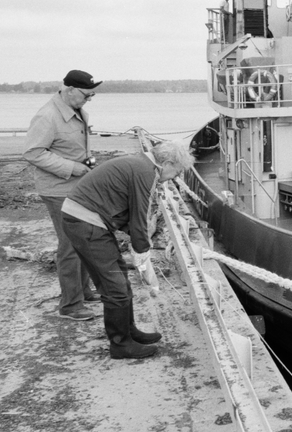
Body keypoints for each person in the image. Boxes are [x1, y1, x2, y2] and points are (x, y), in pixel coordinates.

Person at [60, 142, 194, 359]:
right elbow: (138, 216)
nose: (174, 177)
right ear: (167, 163)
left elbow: (126, 212)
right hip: (85, 222)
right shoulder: (145, 172)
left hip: (88, 220)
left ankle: (129, 331)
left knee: (119, 274)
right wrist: (142, 251)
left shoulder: (139, 165)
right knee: (115, 285)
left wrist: (137, 239)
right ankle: (120, 345)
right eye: (176, 171)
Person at [24, 69, 102, 321]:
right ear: (69, 90)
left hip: (77, 187)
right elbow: (34, 153)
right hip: (58, 190)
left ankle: (83, 292)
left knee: (84, 240)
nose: (88, 100)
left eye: (91, 96)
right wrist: (72, 167)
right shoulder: (47, 116)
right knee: (70, 246)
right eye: (86, 95)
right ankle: (70, 306)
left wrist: (85, 161)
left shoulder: (76, 110)